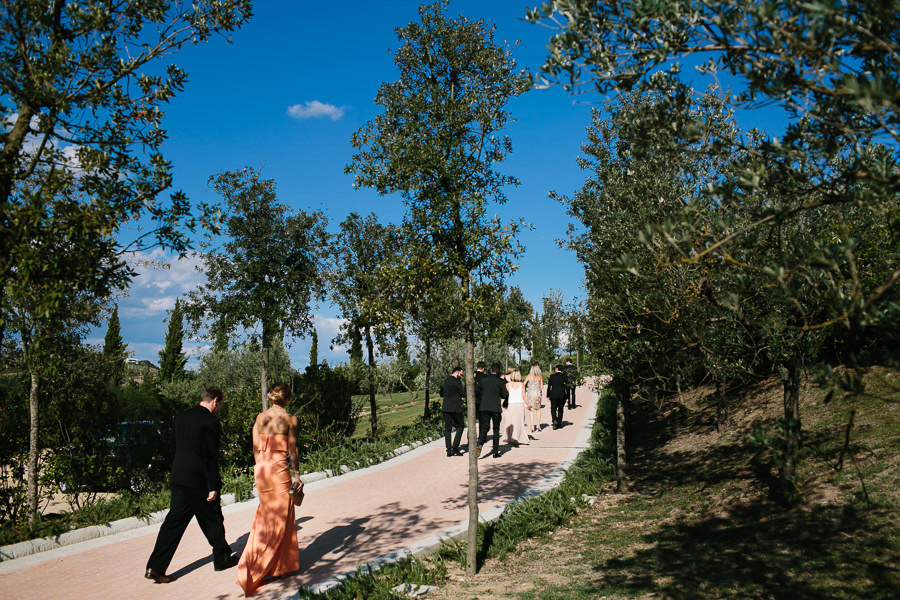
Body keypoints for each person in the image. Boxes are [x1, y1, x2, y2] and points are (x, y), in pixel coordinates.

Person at [145, 387, 237, 584]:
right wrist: (212, 485)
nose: (219, 408)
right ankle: (221, 559)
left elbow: (174, 447)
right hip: (199, 480)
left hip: (179, 477)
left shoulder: (181, 417)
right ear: (215, 401)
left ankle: (155, 566)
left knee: (173, 523)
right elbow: (209, 456)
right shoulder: (211, 422)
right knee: (212, 519)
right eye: (219, 404)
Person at [237, 383, 302, 596]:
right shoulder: (290, 420)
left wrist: (260, 469)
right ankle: (257, 568)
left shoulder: (260, 418)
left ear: (272, 397)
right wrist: (297, 475)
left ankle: (281, 566)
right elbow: (292, 450)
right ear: (288, 399)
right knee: (281, 518)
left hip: (262, 469)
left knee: (266, 517)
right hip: (278, 470)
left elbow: (256, 447)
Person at [476, 363, 508, 458]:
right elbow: (505, 395)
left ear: (490, 370)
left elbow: (477, 391)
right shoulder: (501, 382)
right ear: (499, 371)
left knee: (484, 428)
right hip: (495, 408)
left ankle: (479, 445)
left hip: (484, 407)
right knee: (496, 429)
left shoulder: (483, 380)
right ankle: (495, 452)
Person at [439, 366, 465, 457]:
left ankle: (448, 450)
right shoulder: (458, 382)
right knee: (461, 426)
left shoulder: (444, 381)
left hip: (446, 407)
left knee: (447, 429)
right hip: (456, 408)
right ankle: (455, 447)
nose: (461, 376)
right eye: (461, 374)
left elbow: (441, 394)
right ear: (457, 372)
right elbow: (463, 394)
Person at [503, 369, 528, 446]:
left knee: (510, 421)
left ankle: (510, 438)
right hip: (520, 404)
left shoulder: (508, 385)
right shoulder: (522, 385)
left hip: (511, 404)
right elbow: (524, 396)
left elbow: (505, 395)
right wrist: (528, 404)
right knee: (520, 422)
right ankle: (518, 437)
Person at [524, 362, 544, 433]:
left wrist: (526, 389)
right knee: (538, 409)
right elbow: (541, 387)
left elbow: (524, 384)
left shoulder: (529, 376)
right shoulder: (540, 376)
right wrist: (539, 390)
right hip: (537, 394)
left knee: (531, 410)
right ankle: (538, 425)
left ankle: (532, 426)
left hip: (530, 394)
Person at [547, 365, 568, 429]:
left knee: (553, 408)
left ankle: (554, 420)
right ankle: (559, 422)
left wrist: (548, 396)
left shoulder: (552, 376)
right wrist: (567, 397)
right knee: (560, 409)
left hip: (553, 395)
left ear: (556, 369)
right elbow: (567, 387)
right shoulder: (564, 376)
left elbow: (549, 386)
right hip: (562, 395)